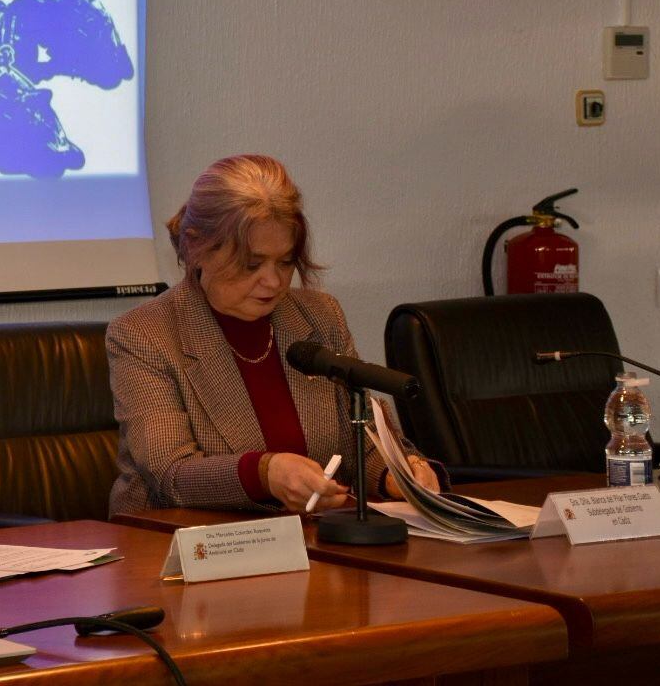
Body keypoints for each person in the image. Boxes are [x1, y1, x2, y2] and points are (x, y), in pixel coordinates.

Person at [107, 154, 439, 515]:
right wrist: (265, 472)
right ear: (196, 247)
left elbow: (360, 438)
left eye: (285, 261)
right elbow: (170, 475)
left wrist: (400, 474)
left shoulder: (319, 315)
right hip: (181, 544)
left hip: (311, 542)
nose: (274, 281)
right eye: (252, 264)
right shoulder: (144, 334)